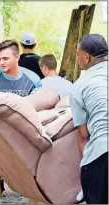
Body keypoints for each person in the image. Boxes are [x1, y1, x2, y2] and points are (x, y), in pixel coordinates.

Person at [0, 40, 42, 204]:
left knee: (32, 179)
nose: (1, 62)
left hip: (25, 137)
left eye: (5, 58)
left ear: (17, 57)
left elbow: (40, 110)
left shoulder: (33, 79)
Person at [69, 34, 108, 204]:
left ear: (86, 57)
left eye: (77, 54)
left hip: (102, 151)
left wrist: (86, 168)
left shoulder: (80, 85)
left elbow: (83, 137)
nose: (77, 58)